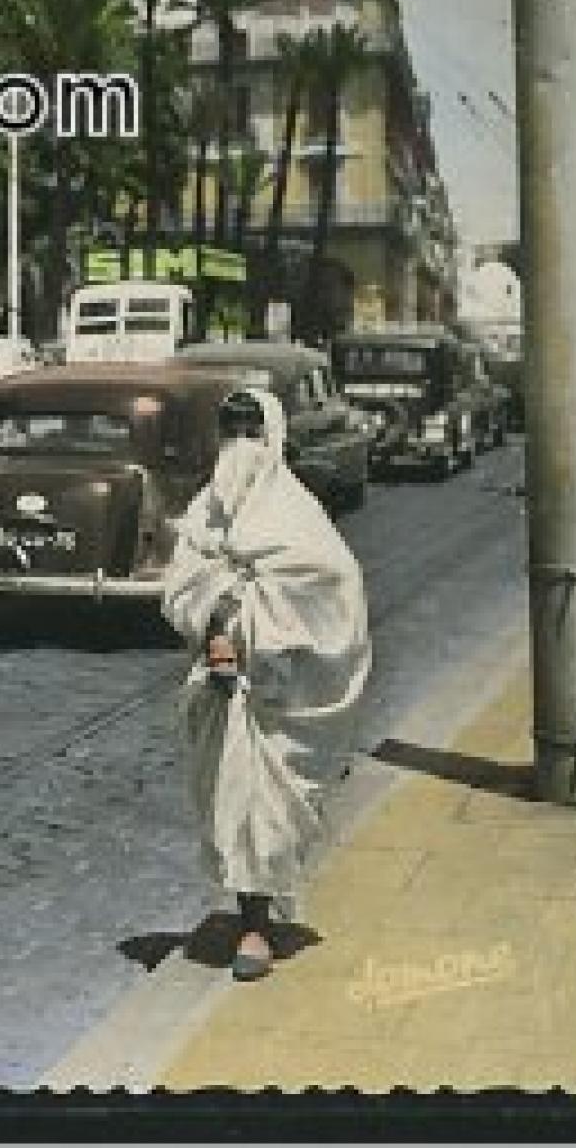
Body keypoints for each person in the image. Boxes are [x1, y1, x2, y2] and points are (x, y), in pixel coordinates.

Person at [160, 388, 372, 982]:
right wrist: (212, 625)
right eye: (232, 430)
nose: (241, 444)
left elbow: (332, 587)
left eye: (252, 430)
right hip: (223, 693)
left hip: (281, 693)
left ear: (273, 436)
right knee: (232, 804)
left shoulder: (298, 514)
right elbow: (180, 585)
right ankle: (248, 913)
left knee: (271, 812)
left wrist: (244, 626)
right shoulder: (207, 509)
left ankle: (261, 922)